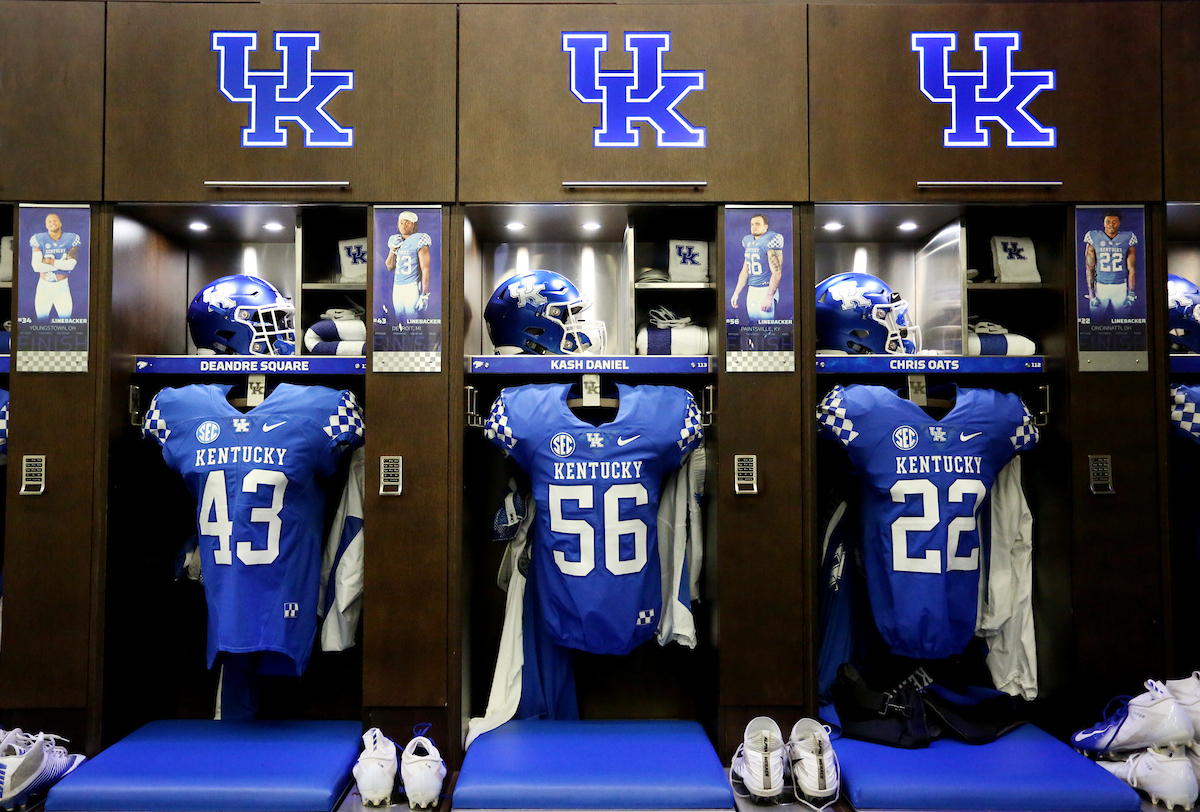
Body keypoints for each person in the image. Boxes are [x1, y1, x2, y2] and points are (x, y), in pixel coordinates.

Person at [731, 214, 785, 321]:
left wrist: (769, 297)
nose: (754, 227)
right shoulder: (748, 241)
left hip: (765, 288)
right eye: (752, 224)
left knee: (767, 328)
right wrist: (736, 293)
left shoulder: (770, 239)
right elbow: (745, 271)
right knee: (753, 324)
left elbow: (777, 272)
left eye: (757, 224)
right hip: (752, 289)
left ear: (765, 226)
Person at [1085, 210, 1138, 318]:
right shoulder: (1094, 236)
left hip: (1120, 286)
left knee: (1123, 322)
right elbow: (1089, 267)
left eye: (1114, 221)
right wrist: (1092, 294)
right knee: (1095, 322)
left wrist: (1131, 292)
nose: (1111, 225)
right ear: (1103, 223)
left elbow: (1131, 268)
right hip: (1100, 286)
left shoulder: (1128, 238)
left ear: (1119, 223)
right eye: (1108, 221)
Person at [28, 213, 79, 320]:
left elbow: (71, 265)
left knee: (65, 321)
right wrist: (62, 264)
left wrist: (50, 261)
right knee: (41, 321)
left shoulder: (71, 238)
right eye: (49, 221)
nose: (52, 223)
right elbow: (36, 267)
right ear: (46, 225)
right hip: (44, 286)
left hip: (61, 286)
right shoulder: (38, 238)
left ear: (60, 223)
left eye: (55, 220)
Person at [386, 211, 431, 322]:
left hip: (412, 285)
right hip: (397, 286)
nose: (404, 226)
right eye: (401, 223)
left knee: (412, 320)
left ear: (413, 225)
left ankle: (414, 340)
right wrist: (392, 250)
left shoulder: (419, 239)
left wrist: (424, 294)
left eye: (407, 223)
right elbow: (389, 266)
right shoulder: (394, 240)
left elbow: (425, 269)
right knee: (399, 319)